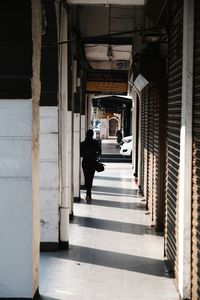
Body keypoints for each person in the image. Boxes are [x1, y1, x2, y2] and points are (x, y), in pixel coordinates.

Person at [80, 129, 101, 201]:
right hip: (93, 162)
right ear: (92, 135)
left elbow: (80, 154)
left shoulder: (82, 144)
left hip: (85, 162)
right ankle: (89, 194)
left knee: (86, 177)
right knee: (91, 177)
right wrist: (95, 156)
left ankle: (87, 194)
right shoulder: (95, 143)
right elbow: (99, 152)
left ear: (86, 135)